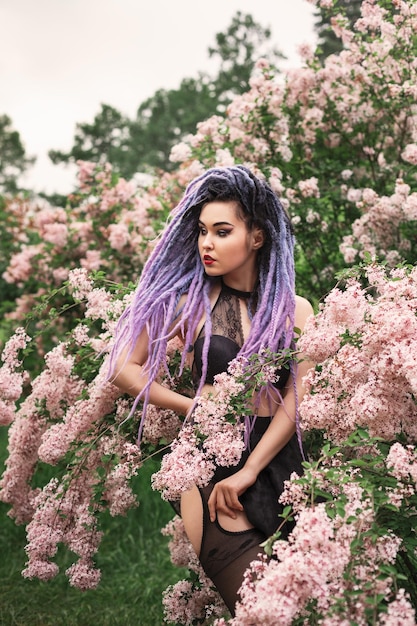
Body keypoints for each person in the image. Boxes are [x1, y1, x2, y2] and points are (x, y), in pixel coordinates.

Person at [108, 165, 314, 615]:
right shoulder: (189, 305)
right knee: (257, 611)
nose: (207, 243)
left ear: (256, 237)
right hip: (211, 466)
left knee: (306, 609)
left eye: (222, 231)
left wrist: (252, 470)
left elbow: (293, 405)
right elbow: (123, 367)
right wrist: (190, 406)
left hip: (283, 465)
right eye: (202, 231)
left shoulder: (295, 311)